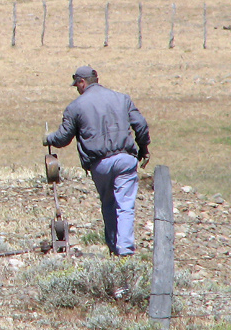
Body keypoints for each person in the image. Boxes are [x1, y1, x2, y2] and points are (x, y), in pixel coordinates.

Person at [43, 66, 150, 257]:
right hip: (126, 160)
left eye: (77, 85)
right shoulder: (122, 98)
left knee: (108, 204)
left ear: (82, 82)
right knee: (125, 205)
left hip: (100, 164)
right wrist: (143, 148)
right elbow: (140, 125)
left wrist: (48, 138)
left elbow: (63, 138)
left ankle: (114, 248)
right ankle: (125, 250)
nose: (77, 89)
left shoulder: (75, 106)